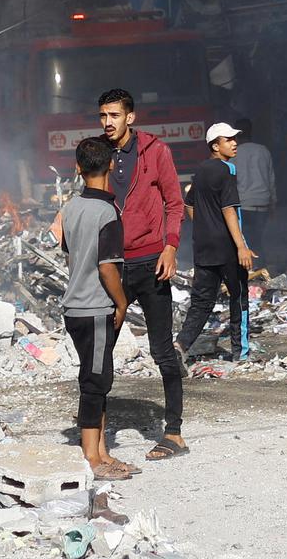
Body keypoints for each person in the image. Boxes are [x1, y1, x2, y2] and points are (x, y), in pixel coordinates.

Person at [98, 88, 188, 461]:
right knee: (100, 351)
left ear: (130, 117)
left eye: (114, 116)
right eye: (103, 116)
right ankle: (97, 440)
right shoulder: (98, 152)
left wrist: (170, 247)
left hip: (152, 262)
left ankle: (174, 433)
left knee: (162, 351)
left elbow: (174, 202)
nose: (107, 123)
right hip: (113, 266)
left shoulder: (156, 151)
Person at [60, 136, 132, 481]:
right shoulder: (108, 212)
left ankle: (103, 450)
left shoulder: (71, 207)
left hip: (74, 308)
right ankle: (92, 457)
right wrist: (122, 301)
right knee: (95, 381)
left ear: (77, 168)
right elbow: (107, 267)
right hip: (96, 307)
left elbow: (69, 250)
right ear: (112, 166)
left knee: (98, 377)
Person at [177, 124, 256, 362]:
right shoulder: (227, 169)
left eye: (235, 139)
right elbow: (229, 209)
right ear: (215, 146)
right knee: (238, 297)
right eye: (228, 139)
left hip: (204, 247)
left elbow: (188, 204)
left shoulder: (200, 171)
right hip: (227, 248)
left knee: (201, 302)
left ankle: (180, 344)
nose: (234, 143)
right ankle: (240, 353)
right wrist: (241, 246)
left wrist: (204, 227)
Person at [232, 118, 276, 256]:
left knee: (246, 241)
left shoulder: (234, 154)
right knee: (259, 240)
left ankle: (253, 270)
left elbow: (231, 182)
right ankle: (261, 266)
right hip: (263, 202)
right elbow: (271, 179)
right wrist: (273, 204)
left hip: (243, 205)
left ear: (236, 134)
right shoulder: (263, 151)